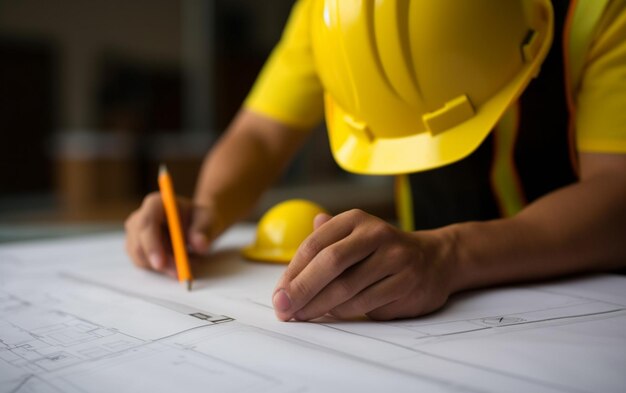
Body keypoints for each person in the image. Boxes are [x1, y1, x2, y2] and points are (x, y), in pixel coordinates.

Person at [125, 0, 626, 321]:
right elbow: (259, 133)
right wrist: (204, 213)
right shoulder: (335, 12)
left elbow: (617, 199)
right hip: (424, 299)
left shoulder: (600, 9)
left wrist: (449, 254)